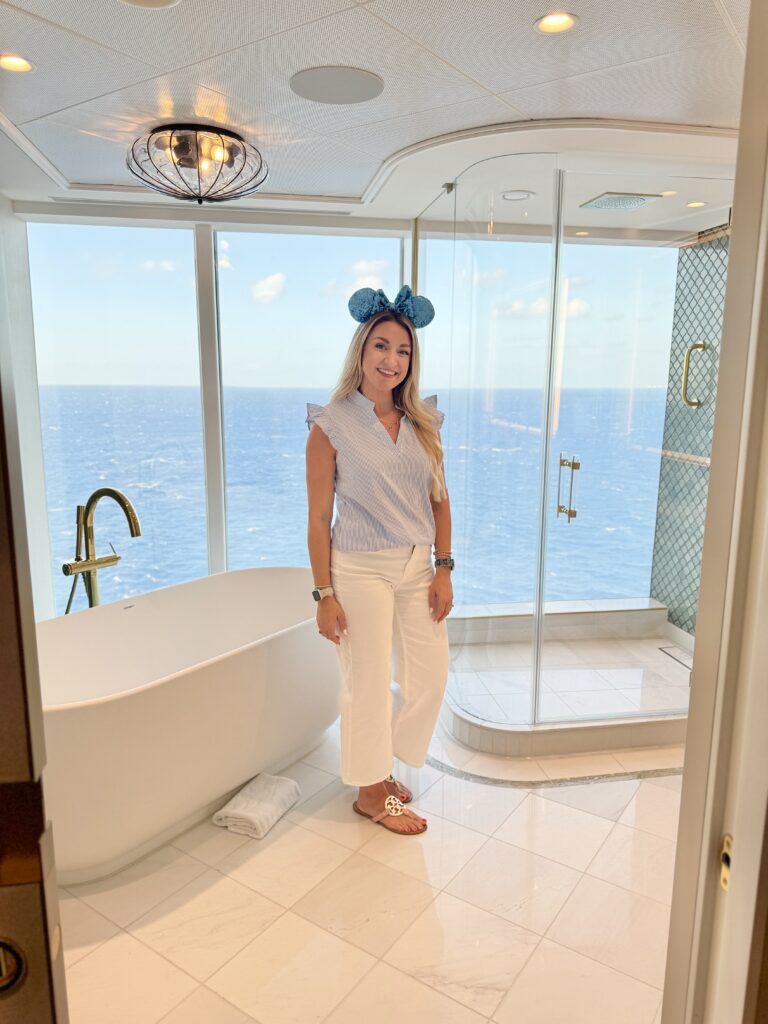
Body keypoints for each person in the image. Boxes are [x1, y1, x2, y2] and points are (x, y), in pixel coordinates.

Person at [305, 285, 453, 836]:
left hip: (418, 568)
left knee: (430, 678)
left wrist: (443, 568)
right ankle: (374, 792)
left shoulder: (424, 421)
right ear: (361, 351)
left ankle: (380, 765)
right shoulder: (330, 425)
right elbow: (319, 519)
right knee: (366, 682)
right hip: (359, 568)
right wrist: (324, 595)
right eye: (382, 347)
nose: (393, 360)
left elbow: (440, 500)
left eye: (404, 351)